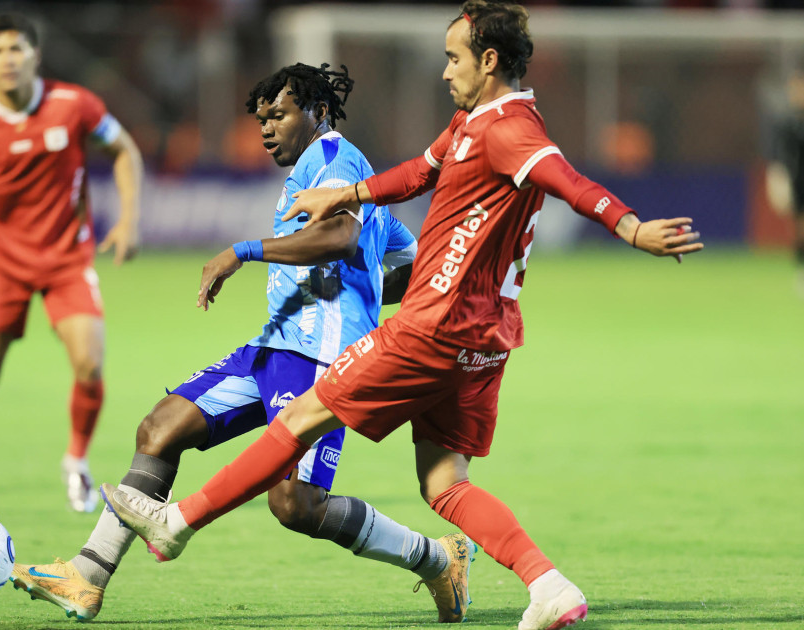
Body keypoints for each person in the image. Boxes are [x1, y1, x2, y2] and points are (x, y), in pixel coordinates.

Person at [101, 3, 705, 629]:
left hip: (433, 324)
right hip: (485, 338)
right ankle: (548, 586)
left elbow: (566, 178)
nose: (446, 72)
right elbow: (421, 171)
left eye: (454, 58)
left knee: (306, 413)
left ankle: (175, 523)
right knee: (443, 482)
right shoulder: (472, 122)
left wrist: (629, 226)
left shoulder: (509, 131)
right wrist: (350, 192)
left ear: (489, 61)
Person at [11, 63, 477, 623]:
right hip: (272, 350)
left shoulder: (334, 157)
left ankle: (435, 559)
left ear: (318, 112)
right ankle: (87, 576)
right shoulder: (312, 169)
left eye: (278, 114)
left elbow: (341, 234)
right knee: (160, 429)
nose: (266, 128)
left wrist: (244, 251)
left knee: (295, 506)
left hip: (318, 360)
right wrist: (374, 283)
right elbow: (403, 257)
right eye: (261, 118)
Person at [0, 12, 143, 517]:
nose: (8, 59)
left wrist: (129, 220)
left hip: (67, 259)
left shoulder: (74, 106)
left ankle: (76, 464)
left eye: (16, 49)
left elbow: (124, 149)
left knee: (89, 362)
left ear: (34, 55)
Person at [765, 69, 804, 296]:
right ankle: (801, 271)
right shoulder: (787, 122)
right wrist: (778, 176)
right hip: (798, 181)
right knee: (800, 230)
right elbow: (779, 156)